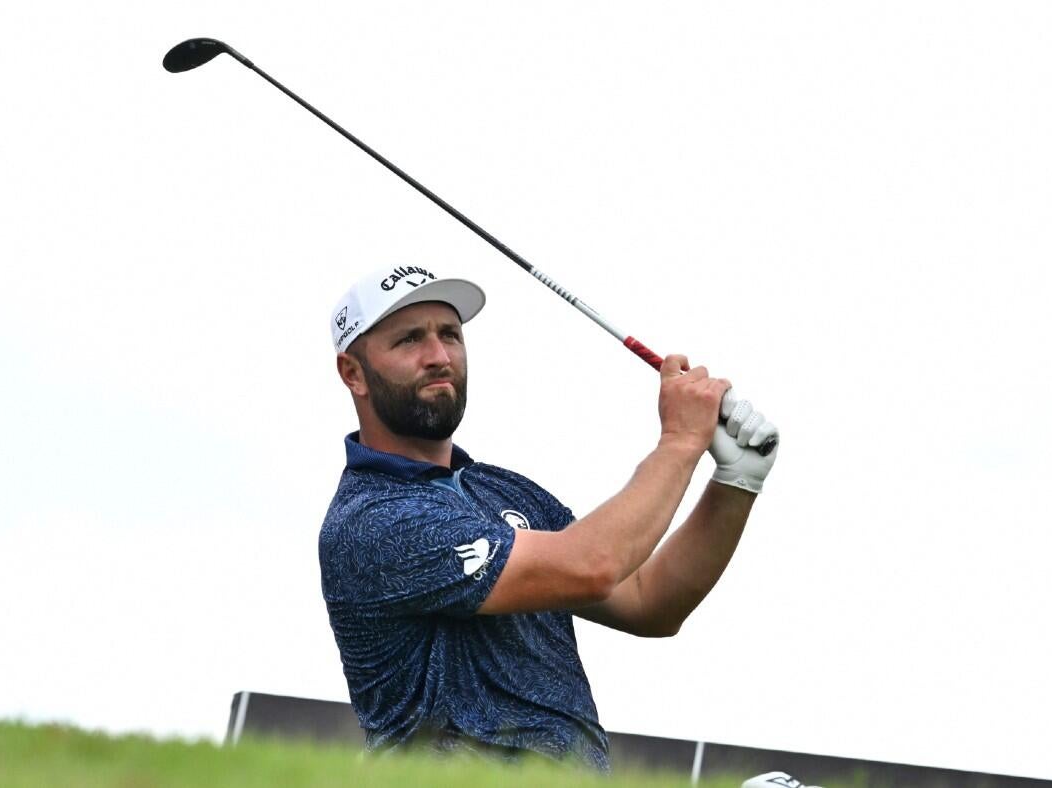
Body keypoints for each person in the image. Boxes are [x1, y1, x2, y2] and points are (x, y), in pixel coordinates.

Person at [318, 265, 779, 771]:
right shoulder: (372, 519)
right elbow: (591, 565)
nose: (439, 357)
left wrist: (736, 483)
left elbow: (648, 600)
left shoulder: (502, 490)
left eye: (450, 335)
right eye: (409, 340)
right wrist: (680, 441)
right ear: (353, 373)